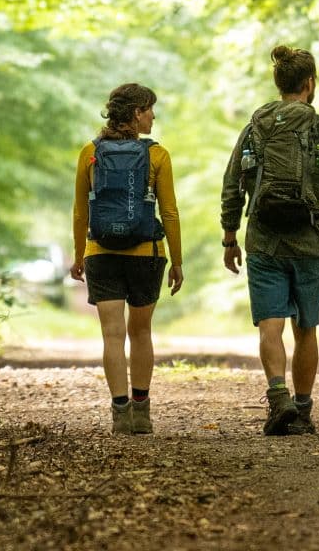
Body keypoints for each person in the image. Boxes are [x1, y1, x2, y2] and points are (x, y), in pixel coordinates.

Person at [220, 43, 319, 436]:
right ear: (309, 84)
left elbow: (233, 183)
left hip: (264, 239)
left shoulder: (255, 128)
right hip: (312, 241)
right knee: (306, 328)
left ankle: (278, 398)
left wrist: (230, 236)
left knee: (270, 325)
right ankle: (303, 408)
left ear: (279, 84)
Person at [72, 81, 183, 435]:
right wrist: (177, 260)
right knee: (142, 332)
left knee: (112, 335)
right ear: (136, 114)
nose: (153, 115)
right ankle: (142, 412)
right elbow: (170, 213)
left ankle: (120, 414)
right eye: (149, 109)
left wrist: (78, 255)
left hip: (101, 253)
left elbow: (79, 212)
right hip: (146, 254)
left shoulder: (90, 152)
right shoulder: (157, 156)